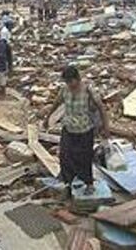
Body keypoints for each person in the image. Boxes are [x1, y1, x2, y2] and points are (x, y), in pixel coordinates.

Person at [43, 66, 110, 196]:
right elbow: (56, 104)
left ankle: (88, 183)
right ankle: (68, 182)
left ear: (77, 79)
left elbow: (101, 109)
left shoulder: (88, 91)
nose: (69, 84)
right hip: (68, 128)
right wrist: (47, 118)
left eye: (70, 81)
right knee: (65, 155)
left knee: (84, 157)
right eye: (67, 82)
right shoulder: (64, 90)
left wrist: (105, 128)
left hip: (85, 130)